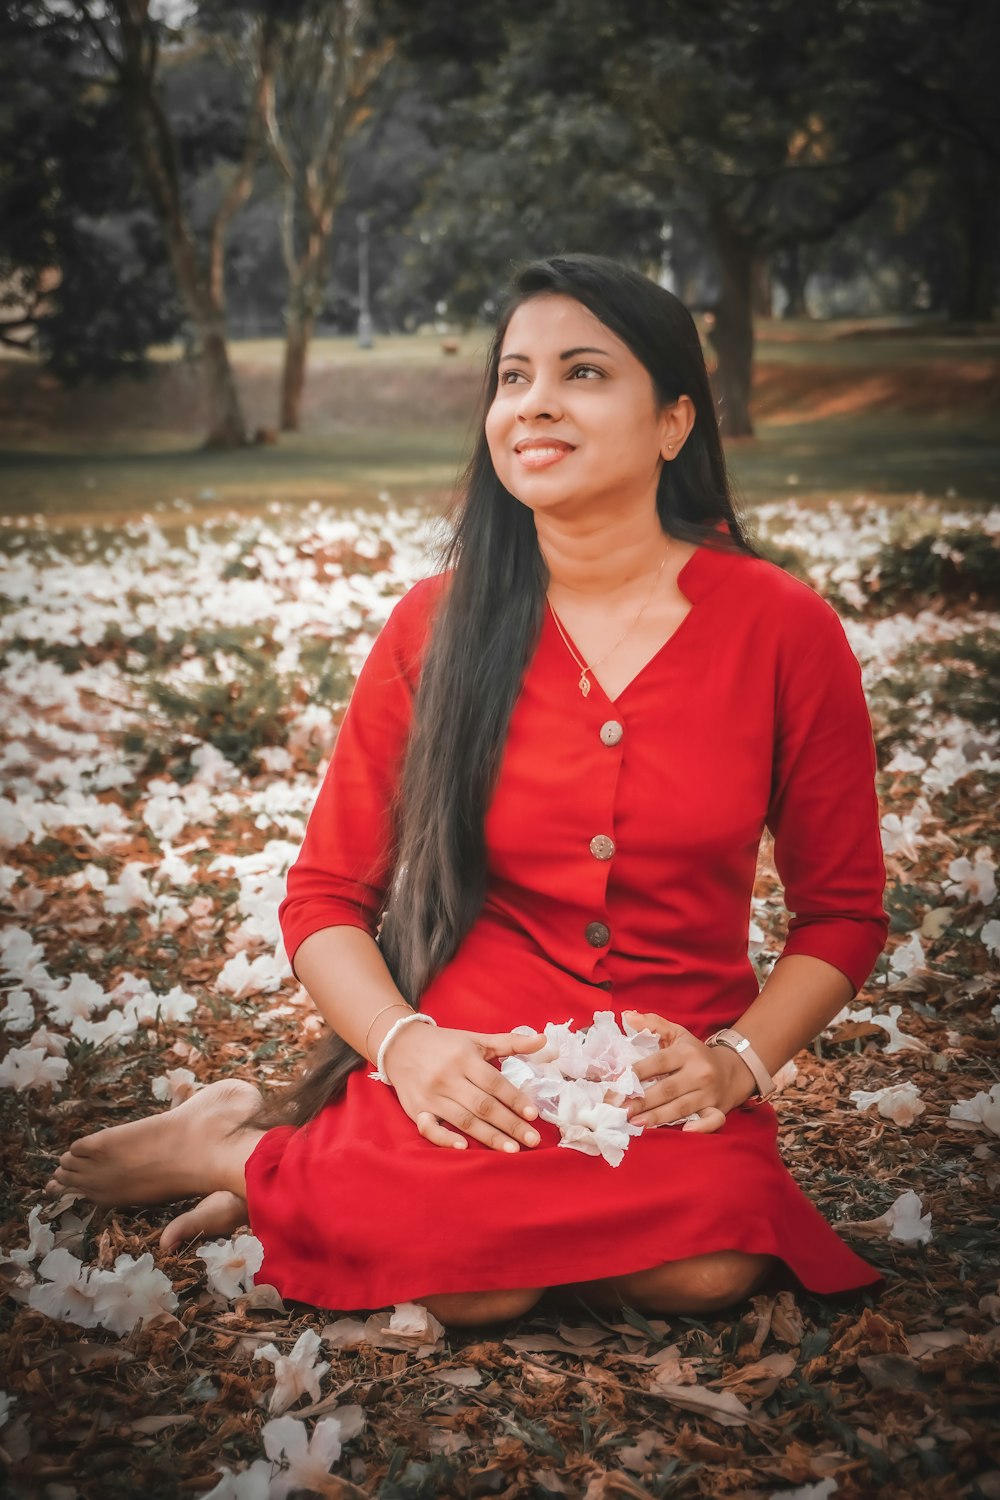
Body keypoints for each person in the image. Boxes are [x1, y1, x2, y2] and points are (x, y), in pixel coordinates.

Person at [47, 254, 889, 1329]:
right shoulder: (436, 625)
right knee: (467, 1286)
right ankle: (241, 1148)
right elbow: (323, 899)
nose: (533, 403)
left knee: (705, 1275)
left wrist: (735, 1063)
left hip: (663, 1064)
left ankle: (296, 1166)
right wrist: (408, 1046)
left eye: (582, 373)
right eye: (512, 377)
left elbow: (843, 912)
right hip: (473, 1052)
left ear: (675, 420)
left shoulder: (781, 628)